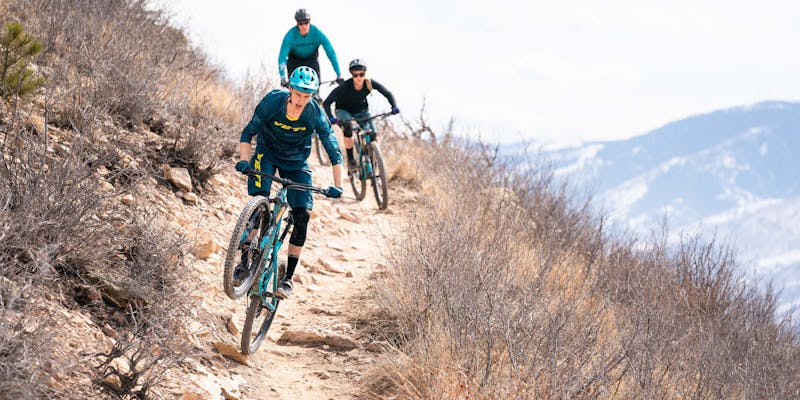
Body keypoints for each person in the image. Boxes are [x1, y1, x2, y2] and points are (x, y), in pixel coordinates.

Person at [235, 66, 344, 299]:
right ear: (290, 90)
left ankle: (288, 279)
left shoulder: (314, 113)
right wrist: (244, 160)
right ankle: (243, 263)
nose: (301, 101)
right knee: (258, 203)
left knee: (302, 216)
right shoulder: (273, 102)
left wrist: (338, 185)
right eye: (298, 94)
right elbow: (248, 132)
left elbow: (334, 151)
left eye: (307, 96)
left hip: (296, 163)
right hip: (267, 153)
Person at [323, 59, 399, 171]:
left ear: (365, 74)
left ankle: (374, 160)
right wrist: (331, 117)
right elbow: (327, 102)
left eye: (361, 74)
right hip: (343, 110)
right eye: (355, 75)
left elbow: (387, 93)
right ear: (352, 75)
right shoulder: (344, 87)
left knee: (373, 134)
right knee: (348, 128)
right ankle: (351, 160)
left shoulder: (369, 83)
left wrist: (394, 106)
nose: (358, 78)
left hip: (361, 111)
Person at [278, 8, 343, 90]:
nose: (304, 26)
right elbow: (282, 57)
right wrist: (283, 77)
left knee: (314, 90)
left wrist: (338, 74)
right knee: (295, 90)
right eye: (300, 23)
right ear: (297, 23)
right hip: (294, 61)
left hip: (311, 61)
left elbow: (330, 53)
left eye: (306, 22)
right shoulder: (290, 35)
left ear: (310, 22)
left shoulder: (317, 33)